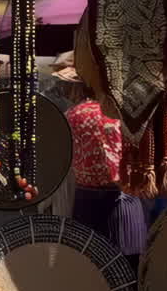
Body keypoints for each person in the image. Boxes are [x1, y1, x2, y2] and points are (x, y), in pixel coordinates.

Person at [51, 52, 148, 271]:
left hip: (85, 201)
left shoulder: (71, 115)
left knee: (91, 270)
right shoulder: (114, 114)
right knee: (126, 269)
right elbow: (117, 170)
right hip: (118, 202)